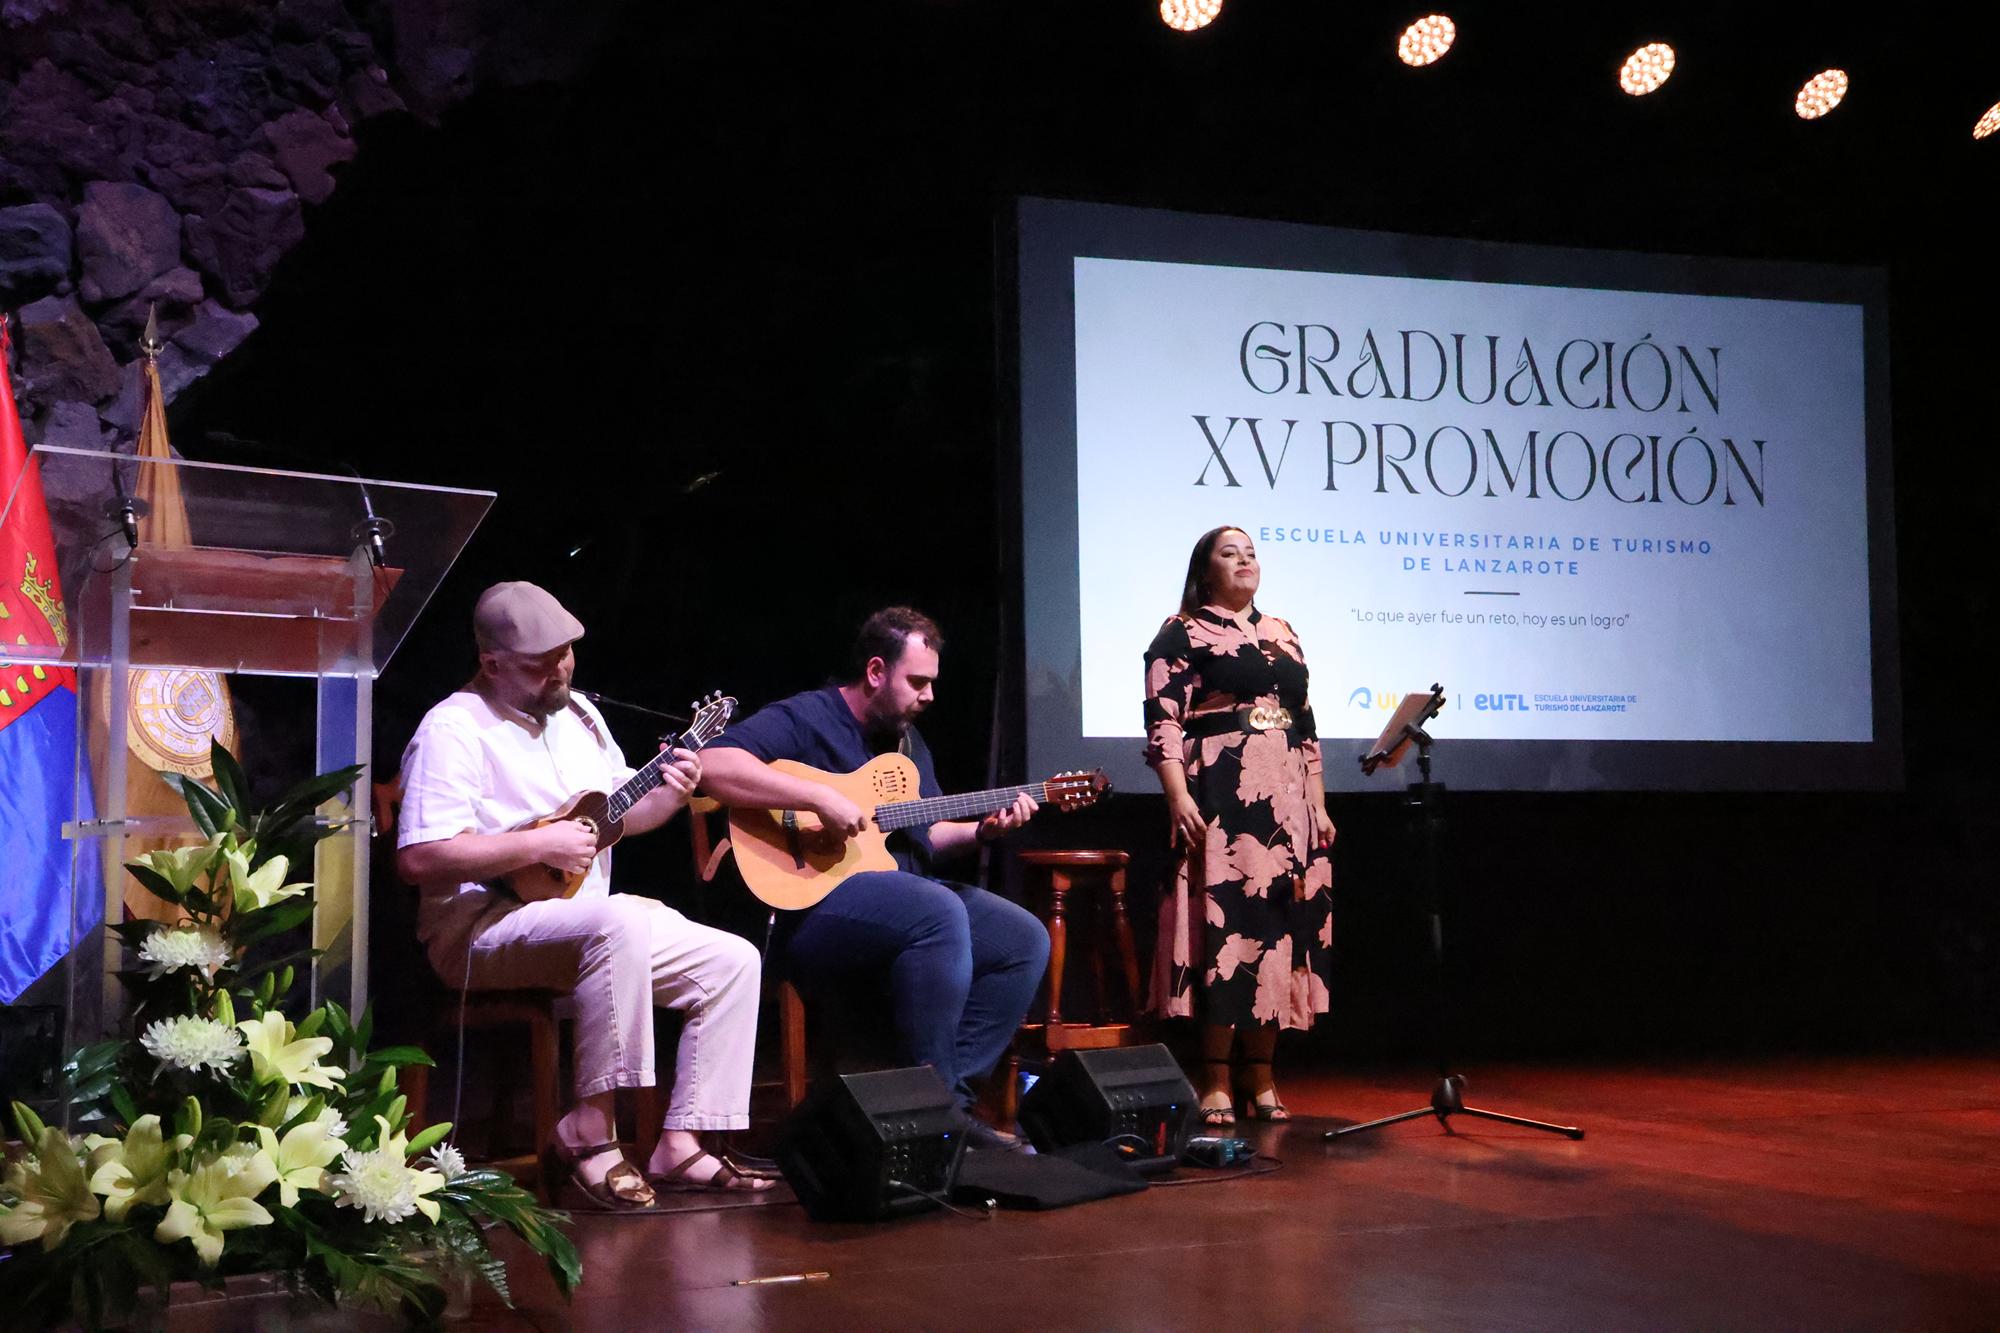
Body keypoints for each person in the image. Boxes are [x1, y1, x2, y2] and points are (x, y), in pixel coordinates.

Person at [395, 581, 772, 1207]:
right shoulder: (454, 727)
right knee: (617, 922)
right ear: (492, 663)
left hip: (584, 926)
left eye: (567, 652)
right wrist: (536, 848)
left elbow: (619, 818)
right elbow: (420, 857)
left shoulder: (581, 718)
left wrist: (670, 793)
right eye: (542, 662)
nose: (562, 668)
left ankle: (681, 1144)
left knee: (732, 961)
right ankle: (591, 1132)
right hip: (481, 928)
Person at [699, 607, 1048, 1145]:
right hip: (809, 911)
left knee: (1022, 938)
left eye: (933, 682)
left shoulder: (907, 744)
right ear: (877, 671)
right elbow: (713, 764)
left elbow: (924, 836)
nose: (929, 695)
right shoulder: (808, 717)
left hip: (897, 902)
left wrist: (981, 833)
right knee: (938, 911)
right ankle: (938, 1112)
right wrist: (816, 795)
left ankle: (942, 1102)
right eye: (918, 682)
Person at [1143, 527, 1335, 1125]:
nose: (1245, 560)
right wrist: (1177, 794)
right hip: (1222, 793)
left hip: (1287, 799)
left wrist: (1318, 804)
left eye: (1251, 552)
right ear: (1205, 571)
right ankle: (1218, 1077)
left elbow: (1304, 726)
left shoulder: (1283, 633)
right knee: (1228, 930)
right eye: (1230, 553)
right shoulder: (1182, 630)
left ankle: (1264, 1074)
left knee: (1279, 928)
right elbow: (1164, 722)